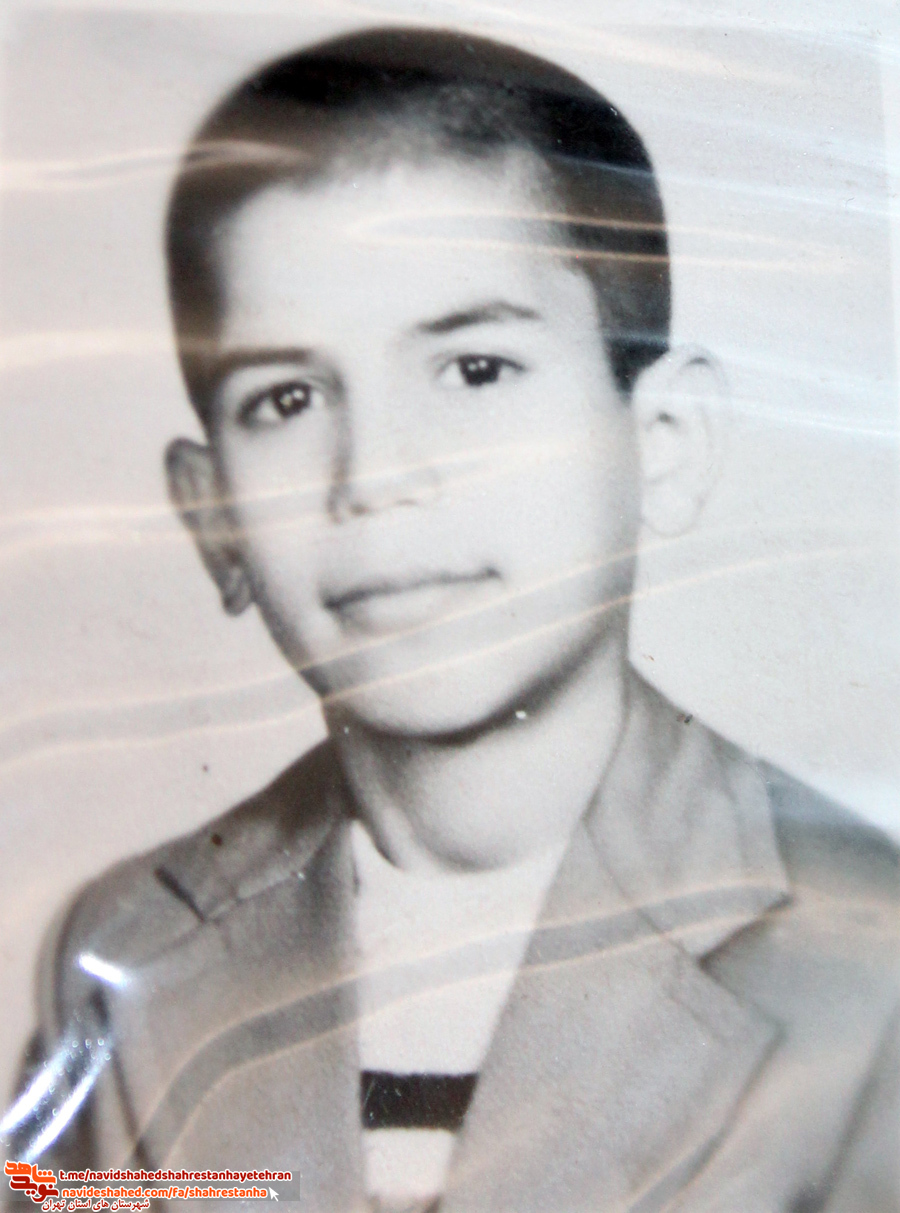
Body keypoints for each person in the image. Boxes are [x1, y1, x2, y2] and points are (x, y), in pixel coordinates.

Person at [3, 26, 898, 1213]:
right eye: (286, 398)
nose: (376, 475)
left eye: (476, 370)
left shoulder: (869, 969)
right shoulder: (126, 960)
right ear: (213, 514)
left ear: (663, 444)